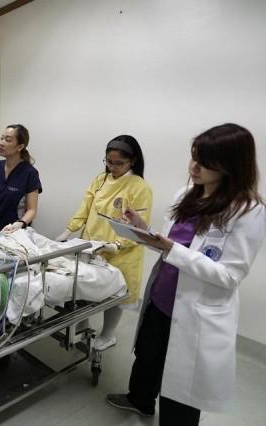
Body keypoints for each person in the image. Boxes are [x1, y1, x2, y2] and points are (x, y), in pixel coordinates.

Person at [106, 123, 265, 424]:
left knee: (180, 390)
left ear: (231, 164)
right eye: (194, 157)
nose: (194, 166)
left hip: (196, 311)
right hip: (161, 298)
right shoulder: (187, 194)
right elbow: (171, 242)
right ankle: (139, 401)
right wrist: (143, 228)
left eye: (204, 161)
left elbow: (230, 275)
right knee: (147, 359)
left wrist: (172, 249)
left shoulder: (248, 210)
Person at [55, 135, 152, 350]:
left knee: (115, 295)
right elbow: (85, 207)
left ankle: (108, 334)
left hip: (123, 252)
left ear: (132, 161)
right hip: (93, 243)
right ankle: (82, 322)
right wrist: (68, 230)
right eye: (109, 161)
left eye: (119, 163)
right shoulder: (101, 179)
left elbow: (139, 227)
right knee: (85, 287)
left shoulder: (139, 187)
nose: (113, 167)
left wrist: (116, 245)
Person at [0, 124, 42, 238]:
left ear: (20, 147)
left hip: (16, 235)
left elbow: (32, 210)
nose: (2, 143)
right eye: (2, 138)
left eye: (8, 140)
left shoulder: (30, 173)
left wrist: (20, 223)